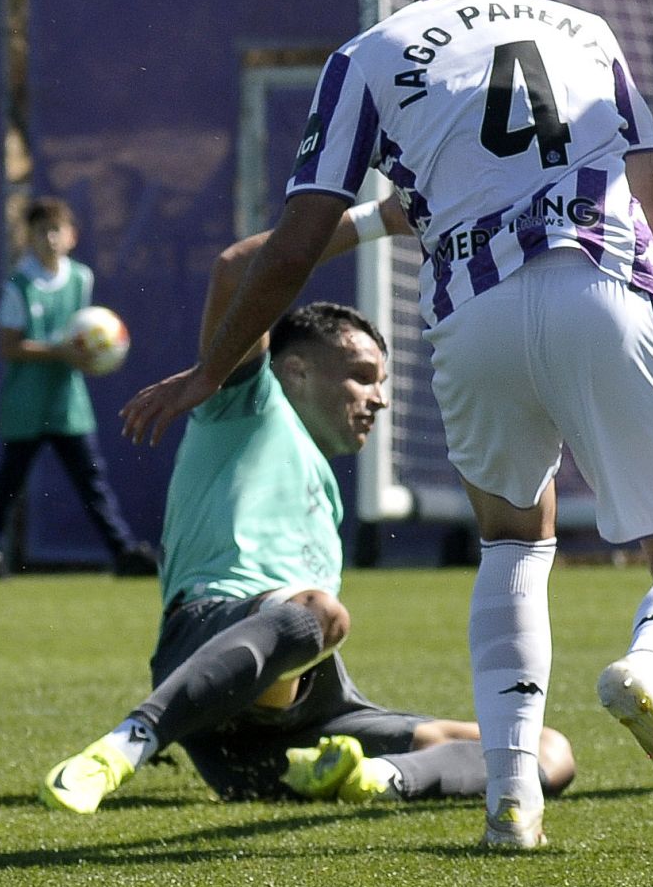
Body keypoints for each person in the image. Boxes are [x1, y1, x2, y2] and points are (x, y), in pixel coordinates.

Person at [123, 0, 653, 849]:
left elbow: (288, 249)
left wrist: (210, 366)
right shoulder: (586, 31)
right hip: (602, 286)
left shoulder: (369, 55)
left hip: (471, 313)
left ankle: (511, 799)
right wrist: (646, 332)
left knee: (511, 543)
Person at [42, 200, 576, 816]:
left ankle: (375, 778)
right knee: (319, 612)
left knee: (544, 750)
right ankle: (127, 743)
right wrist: (382, 220)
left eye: (382, 383)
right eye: (359, 375)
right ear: (293, 370)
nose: (377, 399)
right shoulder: (245, 404)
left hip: (280, 739)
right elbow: (237, 270)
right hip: (208, 641)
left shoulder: (322, 483)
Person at [0, 196, 159, 578]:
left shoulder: (80, 278)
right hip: (26, 403)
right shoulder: (19, 286)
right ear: (29, 237)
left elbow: (84, 337)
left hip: (68, 403)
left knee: (92, 481)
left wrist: (90, 353)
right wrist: (60, 350)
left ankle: (124, 553)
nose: (50, 239)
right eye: (41, 231)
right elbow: (9, 347)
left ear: (72, 236)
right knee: (9, 483)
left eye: (56, 230)